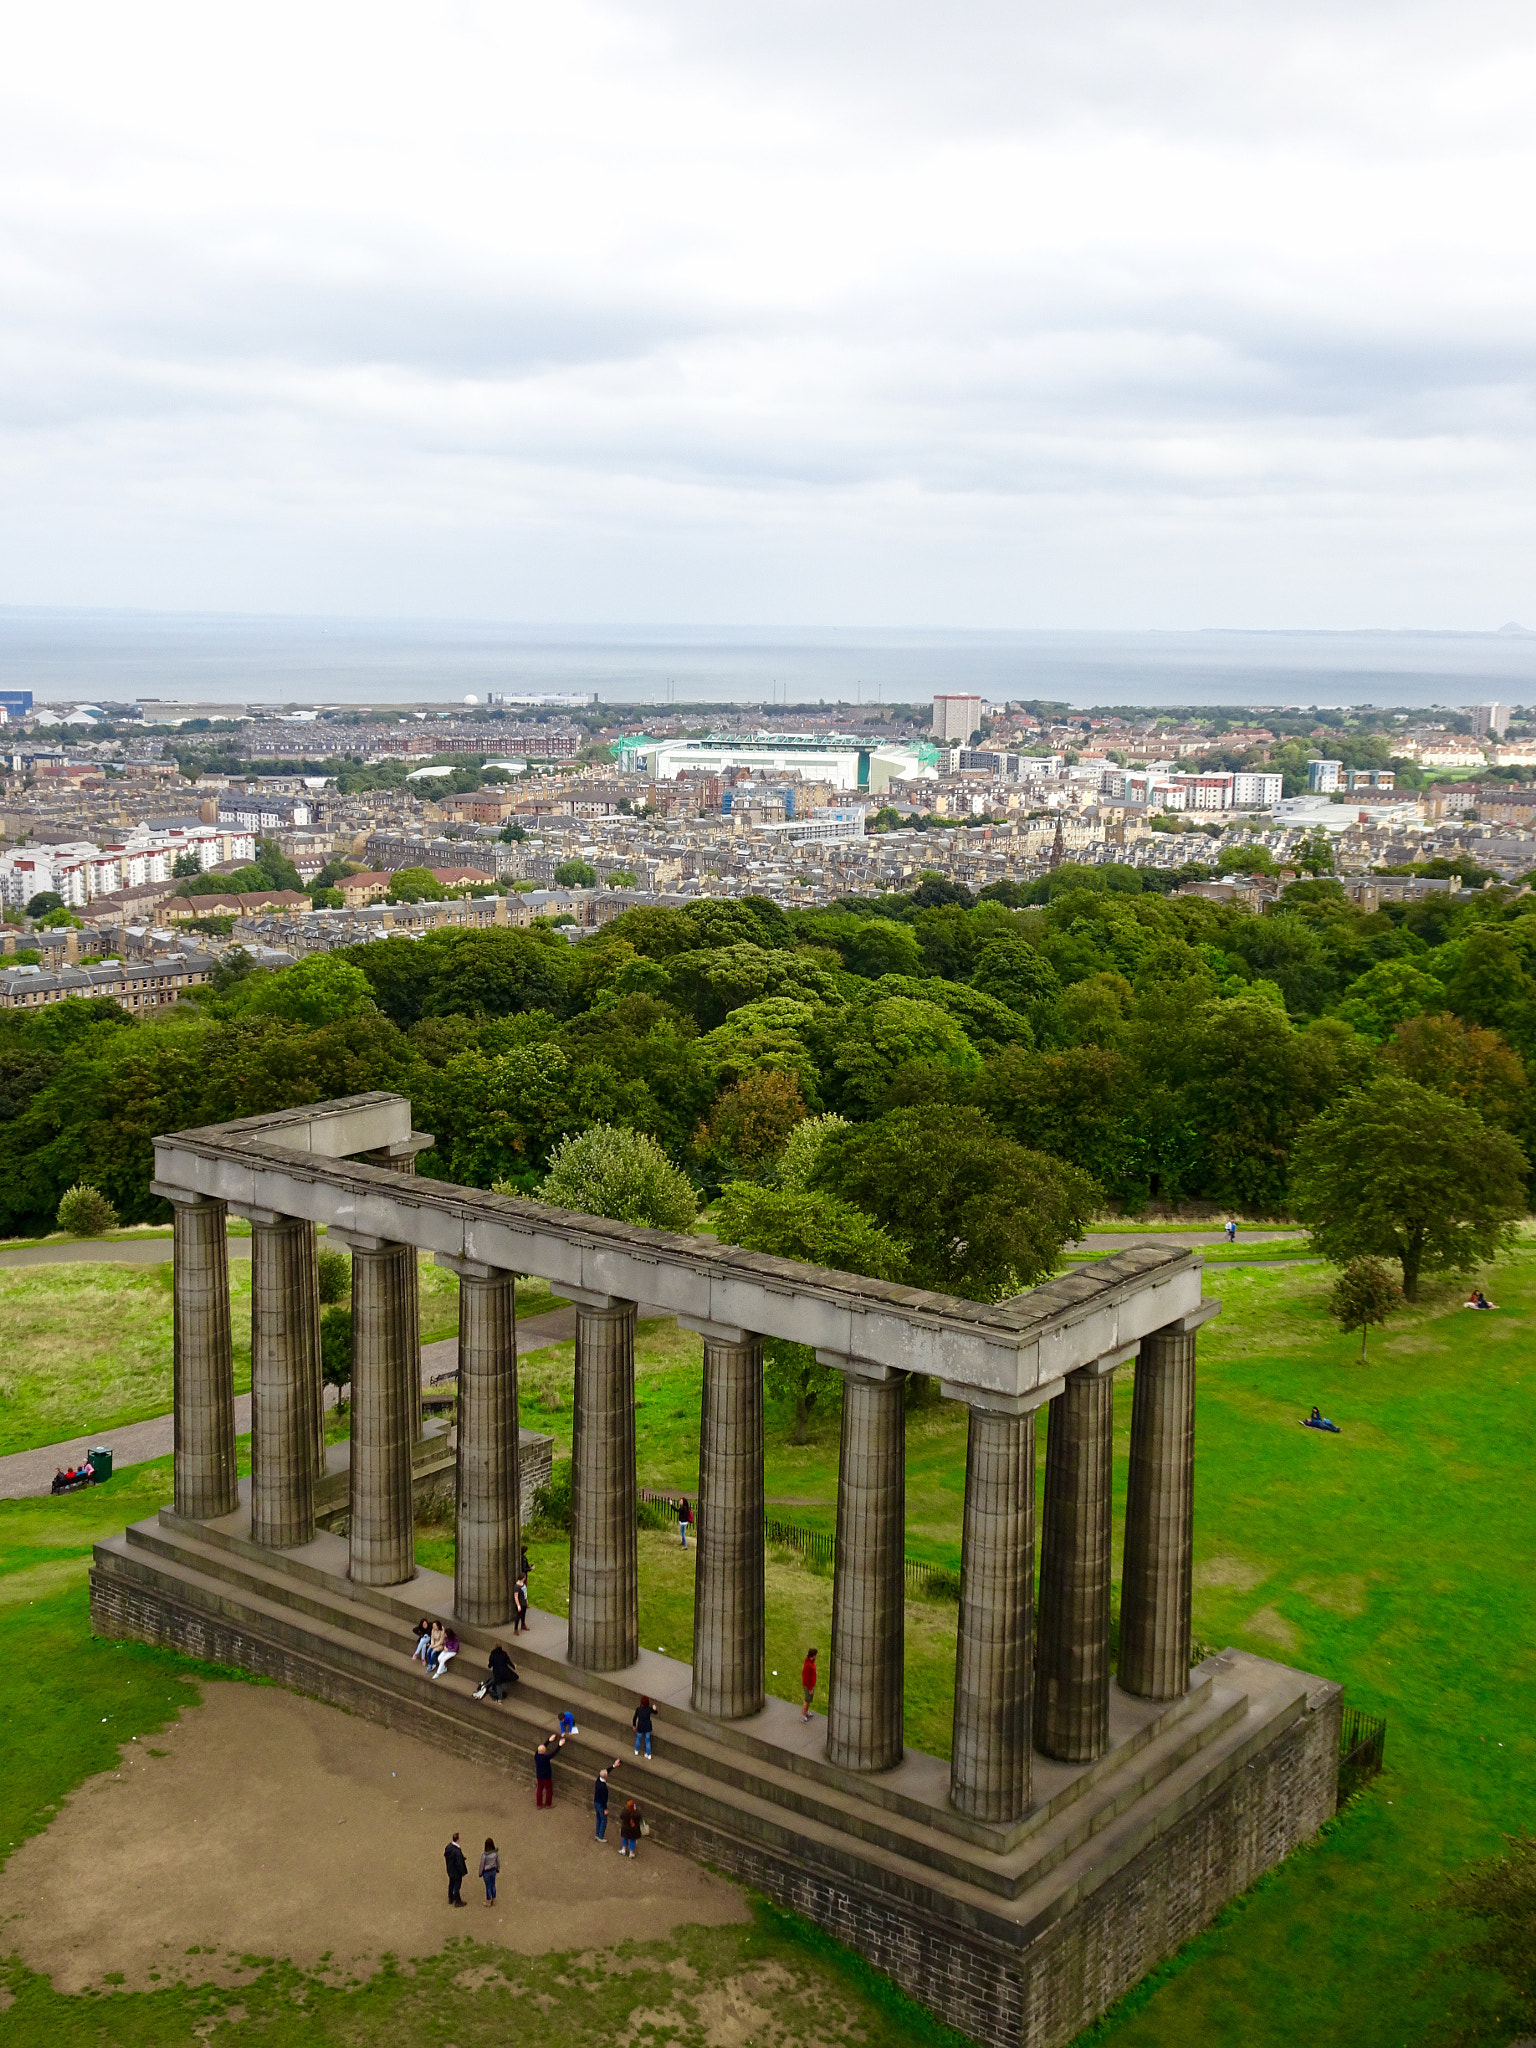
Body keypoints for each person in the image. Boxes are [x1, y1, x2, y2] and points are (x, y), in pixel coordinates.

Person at [534, 1727, 566, 1807]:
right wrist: (559, 1745)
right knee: (549, 1790)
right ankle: (548, 1804)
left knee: (539, 1789)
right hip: (546, 1777)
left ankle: (539, 1804)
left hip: (539, 1776)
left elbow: (542, 1747)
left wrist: (549, 1740)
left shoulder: (536, 1755)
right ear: (544, 1752)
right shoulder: (545, 1758)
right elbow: (553, 1753)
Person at [593, 1758, 622, 1841]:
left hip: (596, 1802)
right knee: (604, 1820)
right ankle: (600, 1836)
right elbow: (604, 1799)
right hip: (601, 1804)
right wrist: (605, 1808)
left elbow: (606, 1772)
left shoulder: (598, 1780)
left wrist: (614, 1766)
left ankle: (597, 1834)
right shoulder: (603, 1787)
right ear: (606, 1776)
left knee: (599, 1818)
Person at [444, 1832, 468, 1907]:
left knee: (451, 1883)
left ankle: (450, 1897)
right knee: (457, 1886)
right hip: (456, 1872)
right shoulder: (457, 1851)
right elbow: (459, 1863)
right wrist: (463, 1872)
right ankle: (458, 1901)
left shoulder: (448, 1847)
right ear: (457, 1839)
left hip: (450, 1869)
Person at [479, 1837, 499, 1906]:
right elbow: (498, 1861)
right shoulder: (495, 1853)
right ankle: (494, 1899)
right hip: (493, 1870)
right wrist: (498, 1868)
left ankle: (488, 1901)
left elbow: (482, 1864)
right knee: (493, 1885)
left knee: (488, 1886)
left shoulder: (484, 1855)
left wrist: (480, 1873)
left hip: (486, 1872)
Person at [632, 1695, 654, 1759]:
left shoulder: (638, 1709)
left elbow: (634, 1718)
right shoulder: (649, 1709)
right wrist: (654, 1709)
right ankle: (648, 1754)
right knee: (647, 1740)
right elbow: (655, 1712)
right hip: (648, 1727)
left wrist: (634, 1725)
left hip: (640, 1726)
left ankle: (636, 1750)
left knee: (638, 1738)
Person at [800, 1647, 818, 1722]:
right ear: (813, 1655)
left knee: (809, 1699)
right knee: (807, 1700)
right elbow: (807, 1678)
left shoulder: (810, 1662)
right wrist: (810, 1688)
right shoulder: (808, 1665)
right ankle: (803, 1715)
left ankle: (806, 1712)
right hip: (808, 1685)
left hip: (810, 1685)